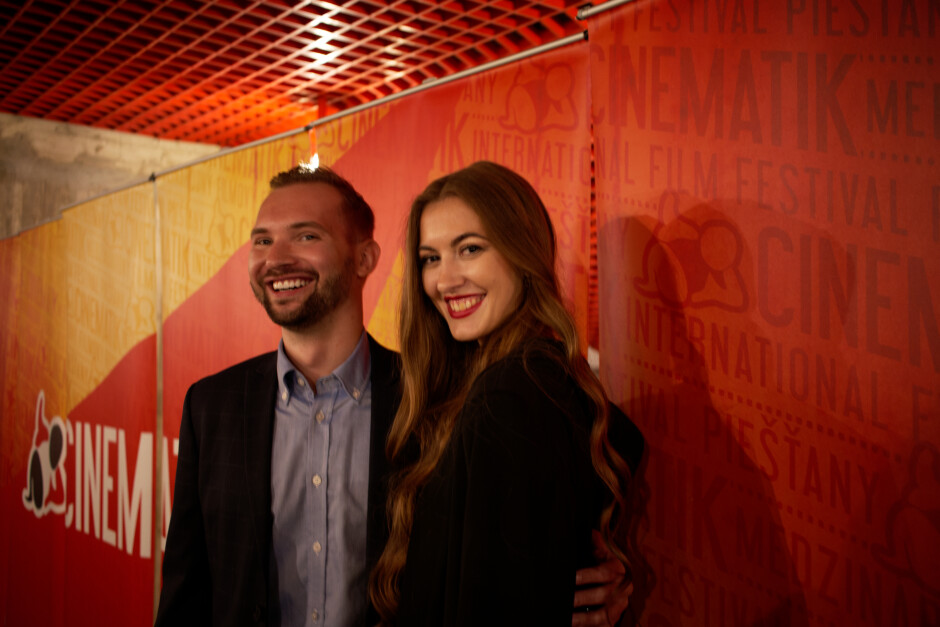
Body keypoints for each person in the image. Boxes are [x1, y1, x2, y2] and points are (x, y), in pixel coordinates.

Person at [155, 164, 634, 627]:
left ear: (365, 258)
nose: (277, 256)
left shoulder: (442, 396)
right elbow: (187, 591)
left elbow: (585, 446)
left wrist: (593, 582)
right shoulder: (210, 406)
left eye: (306, 236)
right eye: (262, 239)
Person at [370, 161, 645, 626]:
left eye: (470, 249)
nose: (444, 280)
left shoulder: (508, 397)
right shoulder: (521, 381)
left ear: (524, 252)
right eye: (430, 258)